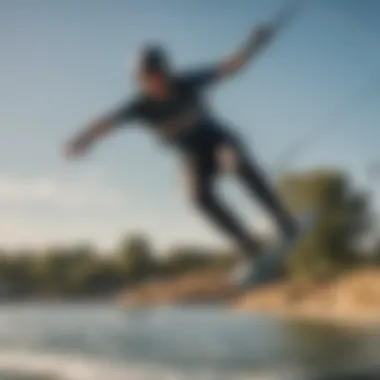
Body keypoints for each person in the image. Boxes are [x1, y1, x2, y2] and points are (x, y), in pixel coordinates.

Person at [65, 24, 300, 286]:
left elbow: (228, 67)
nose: (153, 83)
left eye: (157, 75)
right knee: (196, 197)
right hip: (194, 157)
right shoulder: (139, 106)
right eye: (145, 79)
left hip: (218, 141)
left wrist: (253, 44)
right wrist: (82, 140)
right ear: (139, 80)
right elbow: (106, 122)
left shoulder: (186, 83)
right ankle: (249, 245)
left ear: (166, 72)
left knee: (234, 162)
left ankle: (282, 218)